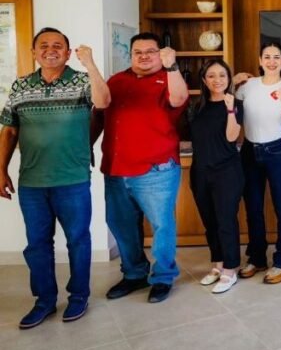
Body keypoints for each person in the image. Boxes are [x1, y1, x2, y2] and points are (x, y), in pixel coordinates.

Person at [0, 28, 109, 328]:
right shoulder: (21, 85)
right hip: (32, 182)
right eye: (44, 45)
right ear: (34, 52)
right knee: (37, 245)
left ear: (68, 52)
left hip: (72, 180)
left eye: (58, 45)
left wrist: (90, 64)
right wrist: (1, 169)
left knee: (78, 241)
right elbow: (9, 130)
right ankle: (45, 301)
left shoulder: (82, 81)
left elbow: (103, 102)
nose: (51, 50)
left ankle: (79, 297)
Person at [101, 32, 189, 304]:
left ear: (160, 53)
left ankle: (163, 277)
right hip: (116, 168)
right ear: (131, 54)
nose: (143, 56)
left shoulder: (169, 77)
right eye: (138, 52)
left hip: (157, 169)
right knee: (121, 225)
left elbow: (179, 99)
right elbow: (99, 115)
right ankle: (134, 273)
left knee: (162, 226)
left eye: (150, 51)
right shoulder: (116, 81)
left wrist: (172, 67)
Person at [234, 42, 281, 284]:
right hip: (250, 150)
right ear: (260, 61)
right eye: (267, 57)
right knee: (253, 207)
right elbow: (229, 107)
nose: (271, 61)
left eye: (276, 57)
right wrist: (232, 83)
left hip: (278, 151)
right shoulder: (248, 86)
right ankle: (257, 258)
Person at [189, 60, 244, 294]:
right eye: (211, 75)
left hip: (227, 172)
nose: (217, 80)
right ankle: (218, 264)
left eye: (222, 75)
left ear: (229, 79)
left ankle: (230, 269)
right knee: (209, 221)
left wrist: (230, 110)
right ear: (204, 80)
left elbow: (232, 137)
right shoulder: (196, 107)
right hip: (200, 171)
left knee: (225, 221)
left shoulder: (236, 104)